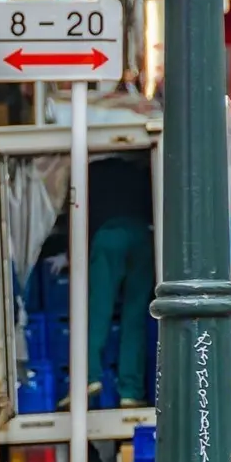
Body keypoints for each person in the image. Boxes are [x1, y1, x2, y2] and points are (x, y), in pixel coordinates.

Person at [87, 154, 156, 407]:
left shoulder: (90, 170)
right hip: (142, 234)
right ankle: (130, 391)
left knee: (99, 309)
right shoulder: (140, 170)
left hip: (108, 235)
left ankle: (90, 376)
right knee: (135, 315)